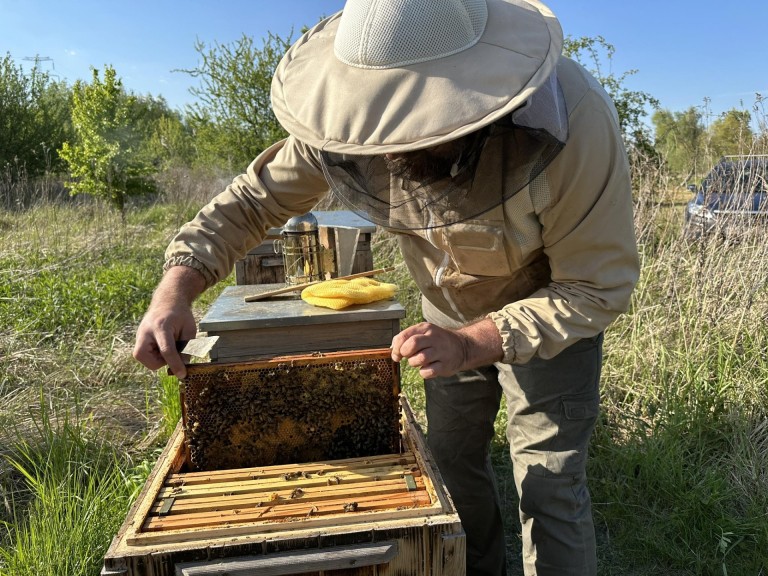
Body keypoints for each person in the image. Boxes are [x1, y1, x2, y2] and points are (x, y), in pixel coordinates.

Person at [133, 0, 640, 574]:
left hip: (552, 321)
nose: (396, 146)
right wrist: (177, 286)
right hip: (444, 315)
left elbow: (594, 288)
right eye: (386, 124)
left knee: (549, 481)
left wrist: (475, 342)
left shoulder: (574, 122)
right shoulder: (349, 123)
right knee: (449, 463)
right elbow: (252, 201)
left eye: (419, 125)